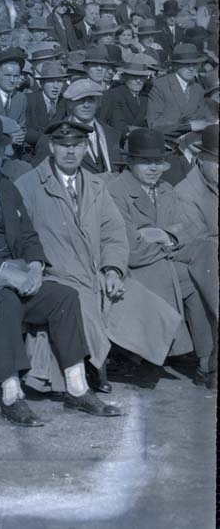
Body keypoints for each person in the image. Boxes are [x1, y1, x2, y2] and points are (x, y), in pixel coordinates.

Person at [0, 114, 120, 425]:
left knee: (64, 296)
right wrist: (8, 274)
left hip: (15, 277)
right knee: (5, 301)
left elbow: (29, 236)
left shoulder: (6, 188)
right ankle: (11, 394)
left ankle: (77, 388)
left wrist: (34, 266)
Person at [16, 121, 184, 393]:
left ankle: (127, 360)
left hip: (95, 270)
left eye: (77, 145)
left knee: (144, 305)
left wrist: (113, 270)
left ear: (85, 147)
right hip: (56, 272)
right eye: (64, 145)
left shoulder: (96, 185)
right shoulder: (28, 185)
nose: (70, 152)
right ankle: (92, 369)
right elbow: (21, 239)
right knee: (84, 307)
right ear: (51, 146)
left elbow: (113, 234)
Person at [107, 128, 213, 375]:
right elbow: (131, 249)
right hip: (132, 271)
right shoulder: (116, 191)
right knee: (189, 274)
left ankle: (207, 358)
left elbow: (192, 230)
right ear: (131, 161)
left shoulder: (165, 188)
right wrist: (169, 238)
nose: (153, 168)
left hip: (164, 263)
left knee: (202, 266)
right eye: (145, 162)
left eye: (158, 162)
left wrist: (161, 236)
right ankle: (188, 352)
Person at [173, 124, 219, 388]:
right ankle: (208, 363)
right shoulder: (186, 193)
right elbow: (200, 244)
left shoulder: (213, 182)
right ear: (201, 160)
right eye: (218, 163)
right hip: (197, 258)